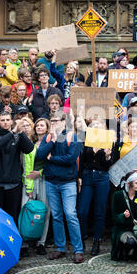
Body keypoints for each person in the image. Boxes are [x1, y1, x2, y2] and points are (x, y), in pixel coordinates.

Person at [36, 110, 84, 263]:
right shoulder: (49, 137)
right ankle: (60, 248)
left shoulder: (71, 136)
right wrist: (52, 141)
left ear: (64, 122)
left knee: (70, 215)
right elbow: (40, 155)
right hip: (51, 182)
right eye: (53, 121)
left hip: (68, 182)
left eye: (57, 121)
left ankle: (78, 250)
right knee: (56, 216)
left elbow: (70, 159)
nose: (54, 123)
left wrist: (53, 158)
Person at [0, 111, 34, 224]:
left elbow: (29, 149)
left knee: (12, 214)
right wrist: (13, 132)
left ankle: (12, 240)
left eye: (8, 120)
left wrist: (21, 132)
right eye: (2, 120)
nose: (5, 122)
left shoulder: (17, 136)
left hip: (14, 184)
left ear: (11, 121)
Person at [77, 119, 114, 256]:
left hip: (102, 178)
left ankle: (97, 241)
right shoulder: (85, 142)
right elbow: (81, 160)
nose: (97, 127)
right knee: (82, 210)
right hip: (87, 177)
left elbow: (109, 164)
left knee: (99, 211)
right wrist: (79, 177)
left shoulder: (108, 141)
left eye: (99, 125)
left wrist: (108, 156)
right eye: (94, 126)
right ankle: (82, 236)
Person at [21, 117, 51, 255]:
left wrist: (39, 173)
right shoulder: (29, 143)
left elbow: (53, 164)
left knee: (44, 211)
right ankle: (25, 243)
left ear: (47, 128)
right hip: (29, 181)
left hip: (44, 179)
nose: (39, 127)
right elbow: (23, 163)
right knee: (26, 209)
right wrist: (29, 182)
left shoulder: (51, 143)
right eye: (37, 125)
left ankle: (41, 243)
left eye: (42, 125)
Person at [111, 171, 137, 262]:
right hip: (123, 230)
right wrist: (123, 216)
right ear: (128, 184)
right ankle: (126, 250)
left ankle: (136, 252)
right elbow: (114, 217)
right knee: (130, 242)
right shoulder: (118, 196)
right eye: (136, 183)